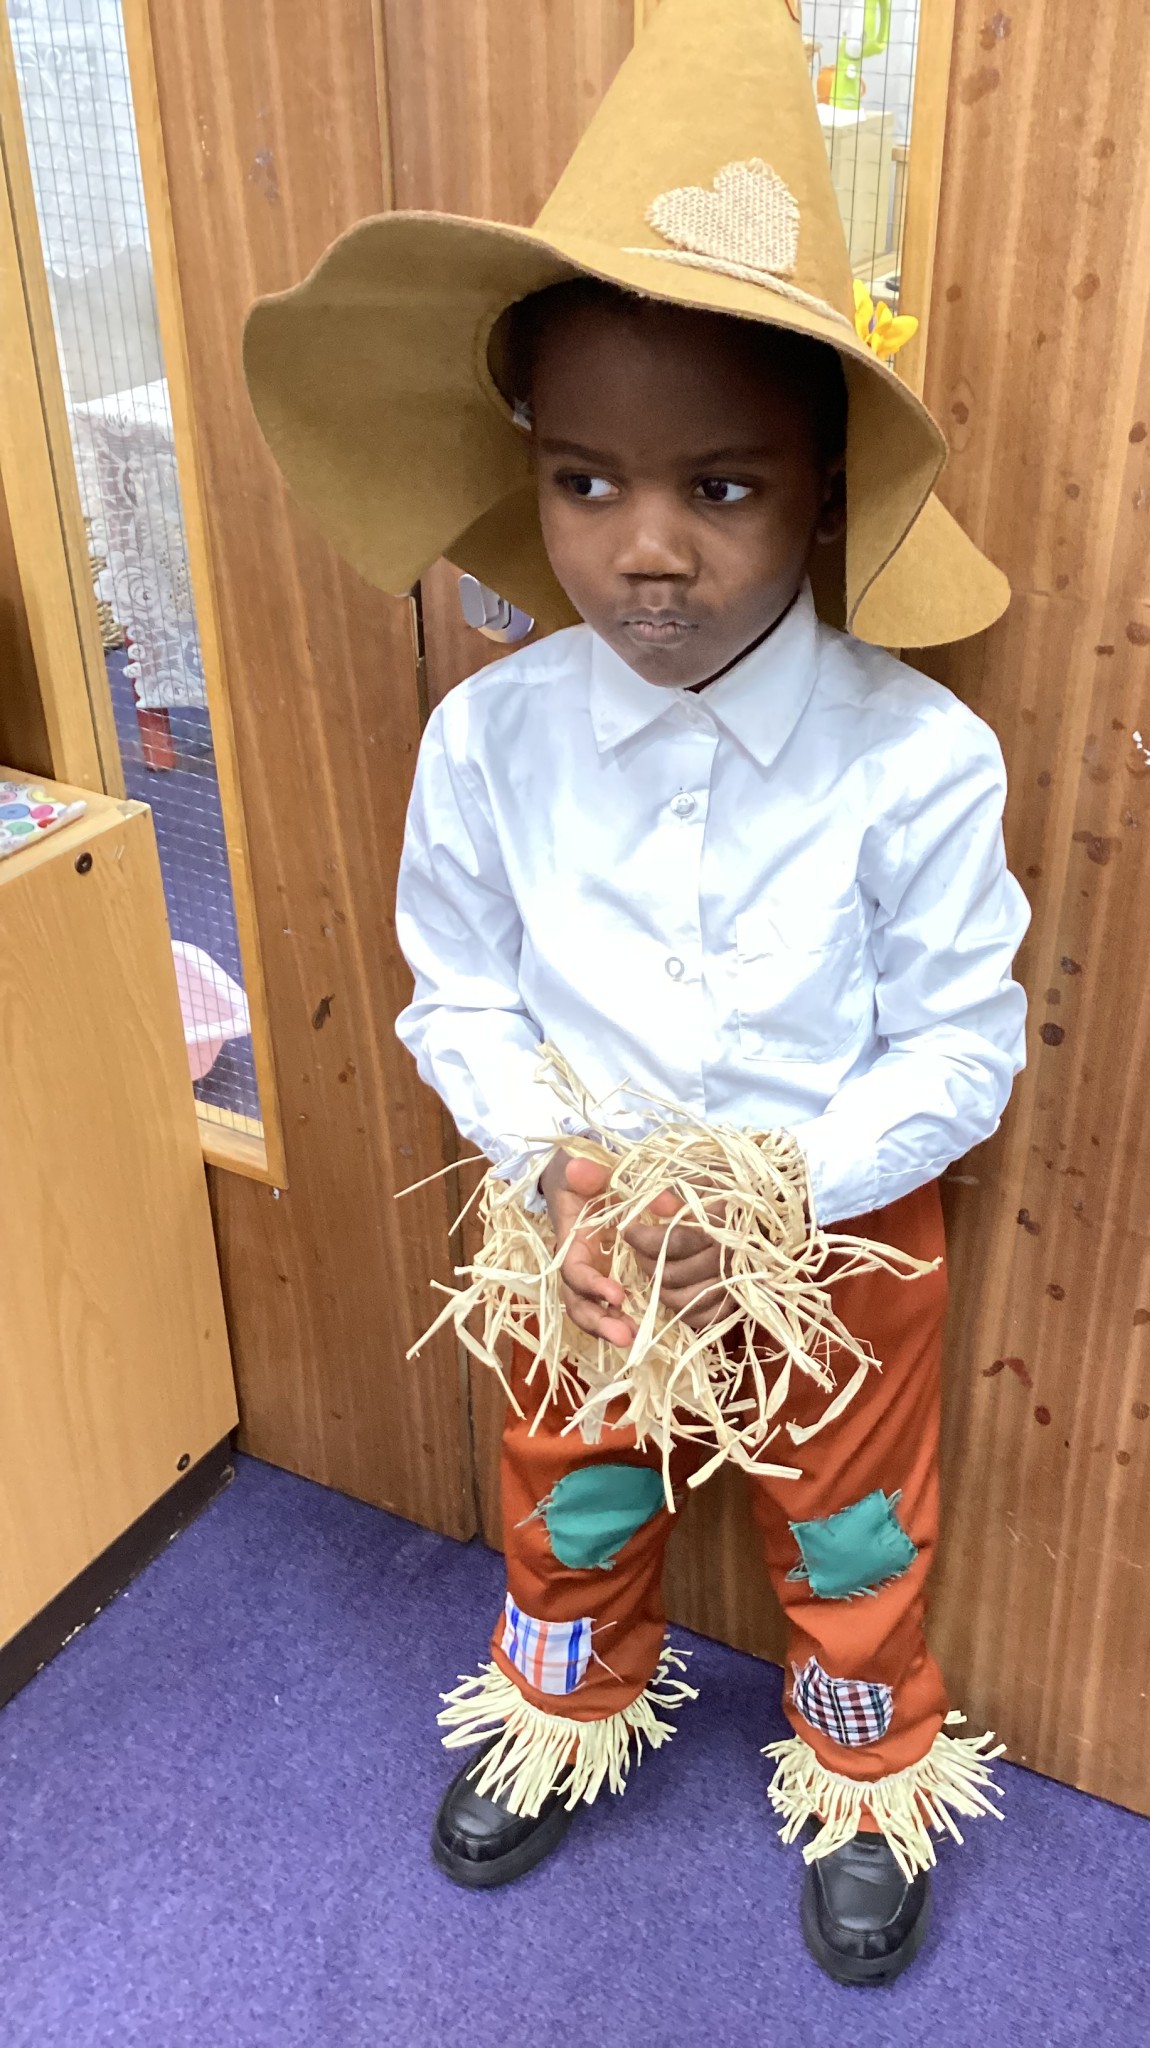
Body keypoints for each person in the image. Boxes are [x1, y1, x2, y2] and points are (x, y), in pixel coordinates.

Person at [244, 0, 1028, 1988]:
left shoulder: (913, 761)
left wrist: (771, 1190)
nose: (647, 550)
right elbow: (455, 994)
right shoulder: (490, 740)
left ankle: (868, 1770)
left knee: (851, 1530)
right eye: (586, 481)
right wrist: (570, 1170)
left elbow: (963, 1040)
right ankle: (567, 1706)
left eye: (725, 488)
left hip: (830, 1238)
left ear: (828, 486)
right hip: (576, 1231)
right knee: (566, 1483)